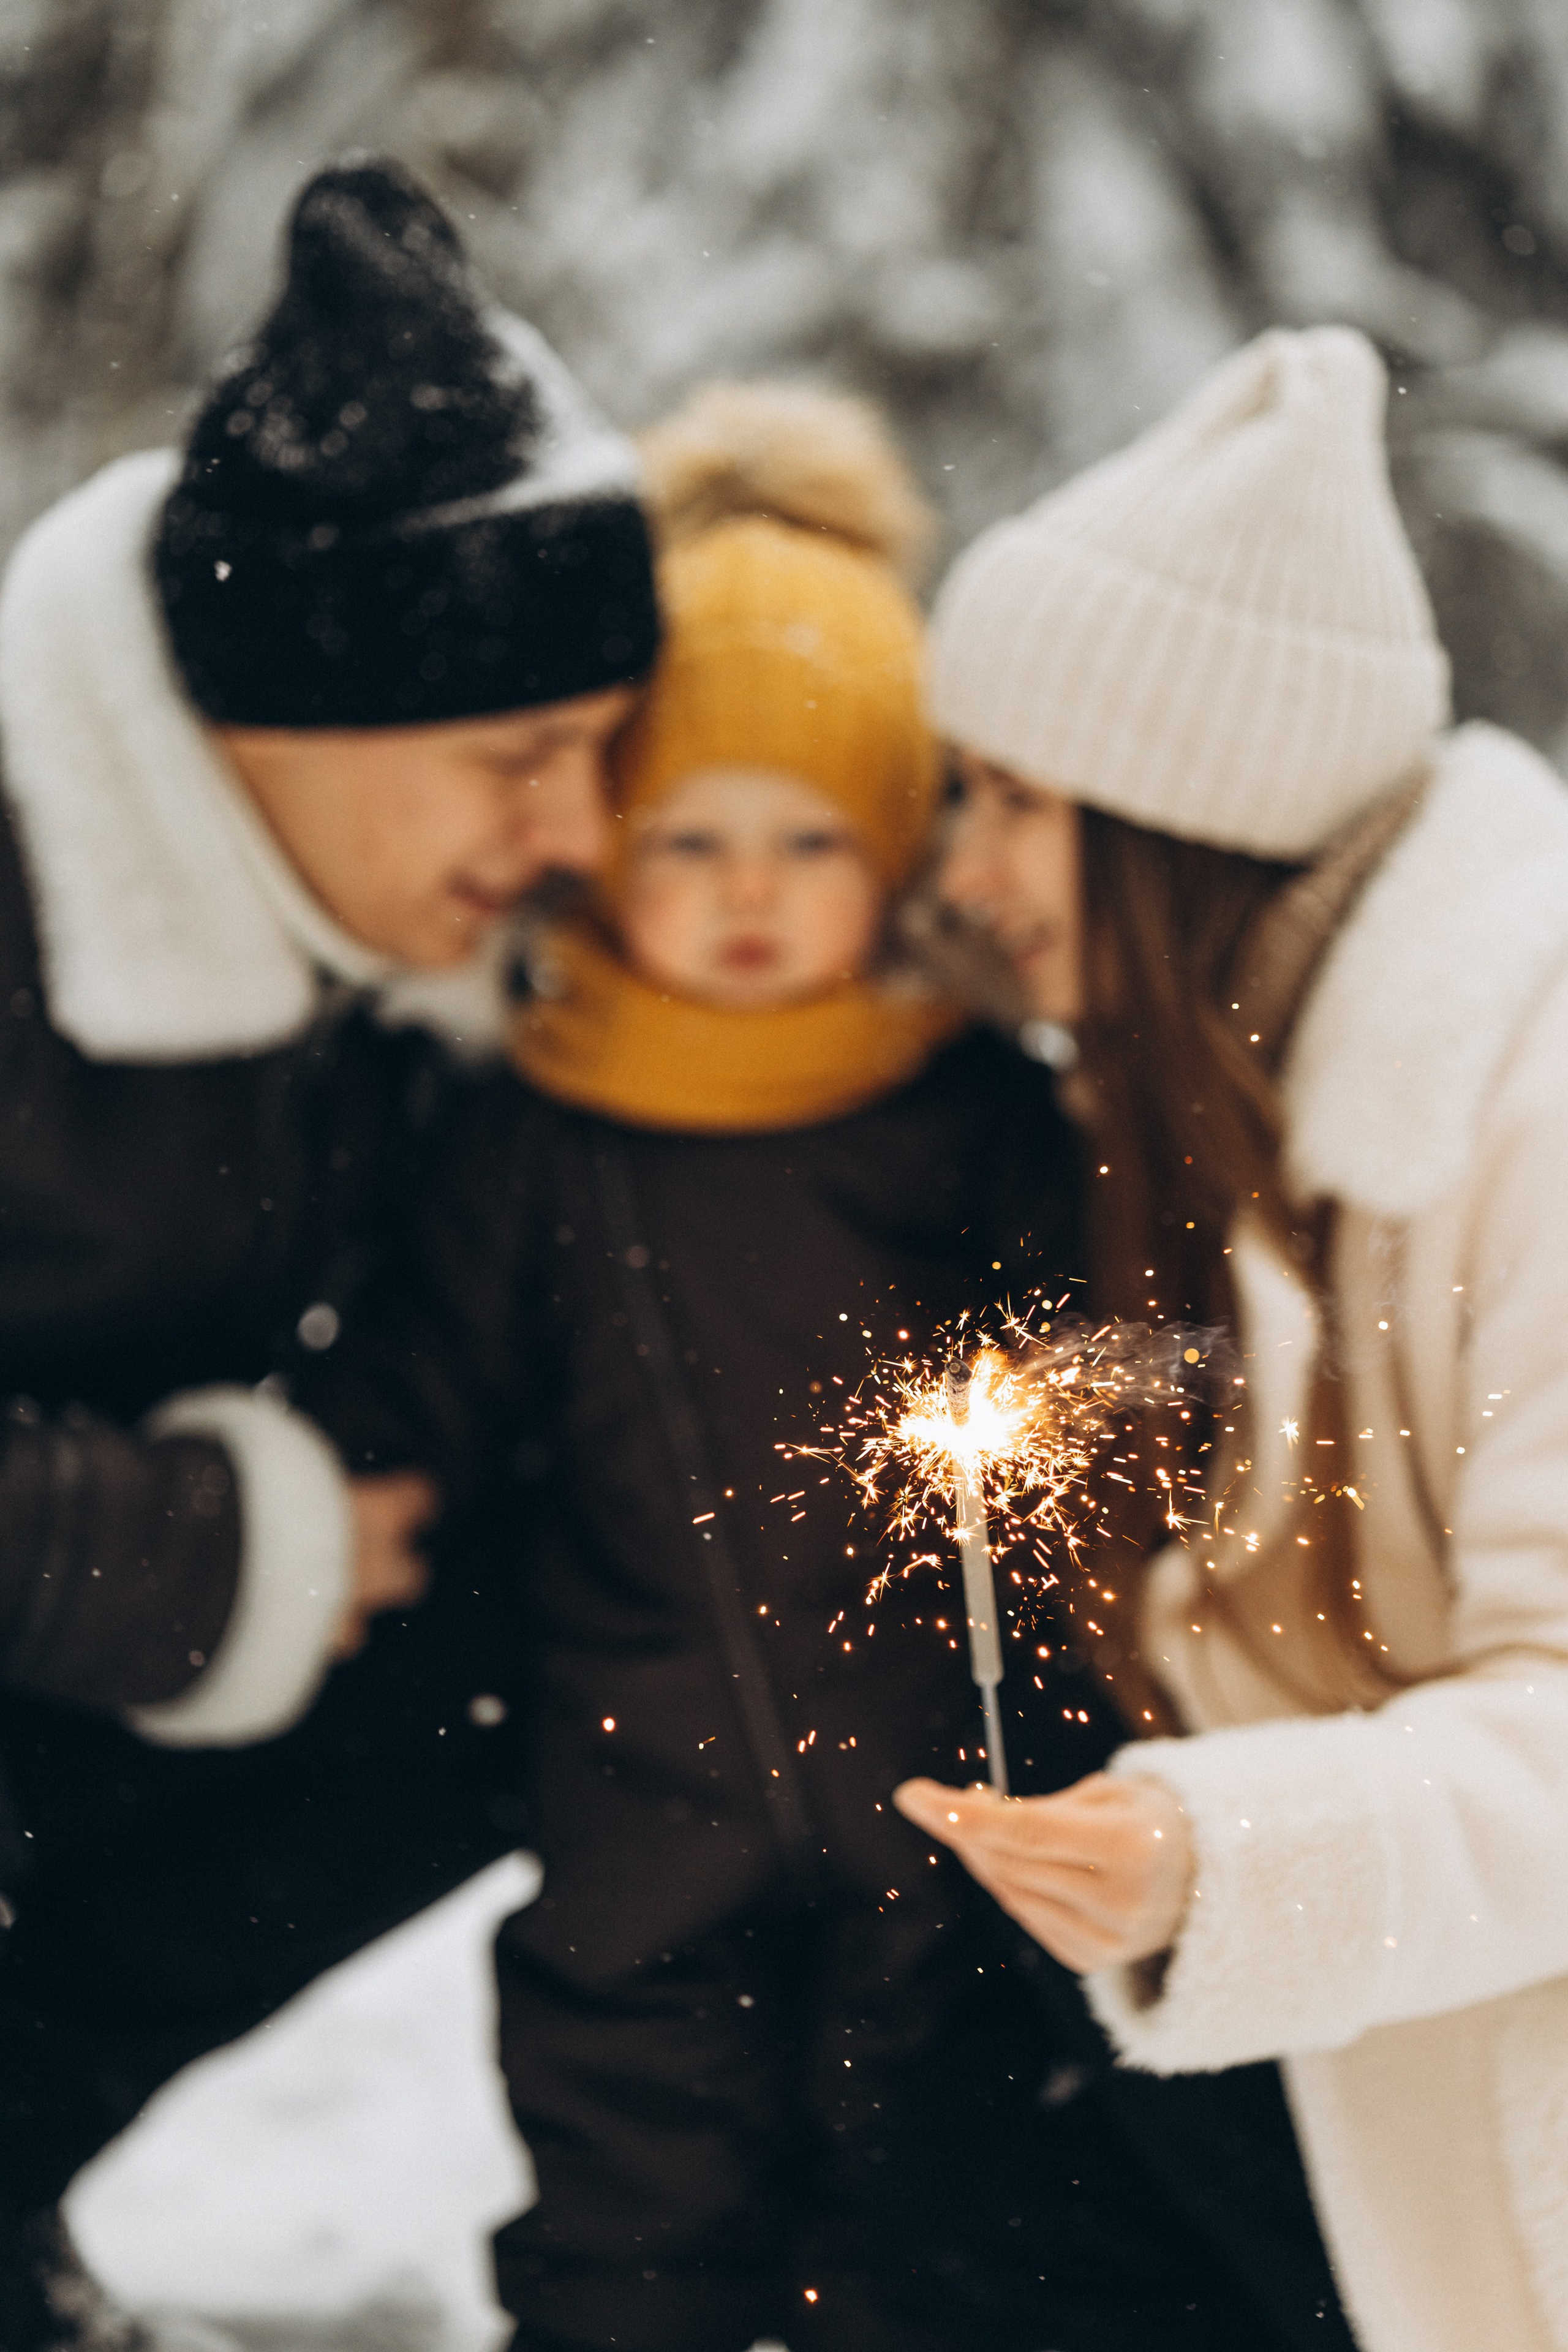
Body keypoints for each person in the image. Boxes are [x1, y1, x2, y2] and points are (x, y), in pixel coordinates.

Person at [308, 380, 1347, 2352]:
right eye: (691, 837)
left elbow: (1117, 1338)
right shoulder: (538, 1134)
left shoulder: (966, 1112)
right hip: (637, 1787)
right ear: (605, 846)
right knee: (632, 2198)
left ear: (897, 849)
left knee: (919, 2208)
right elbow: (429, 1384)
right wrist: (347, 1490)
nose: (751, 891)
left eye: (809, 836)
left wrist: (1125, 1405)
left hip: (948, 1786)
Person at [0, 156, 658, 2350]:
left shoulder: (375, 981)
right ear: (291, 712)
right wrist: (172, 1554)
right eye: (519, 758)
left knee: (531, 1619)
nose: (571, 836)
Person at [897, 322, 1568, 2352]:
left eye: (1014, 799)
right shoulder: (1267, 1118)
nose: (966, 870)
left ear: (1174, 809)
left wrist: (1220, 1842)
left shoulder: (1537, 1101)